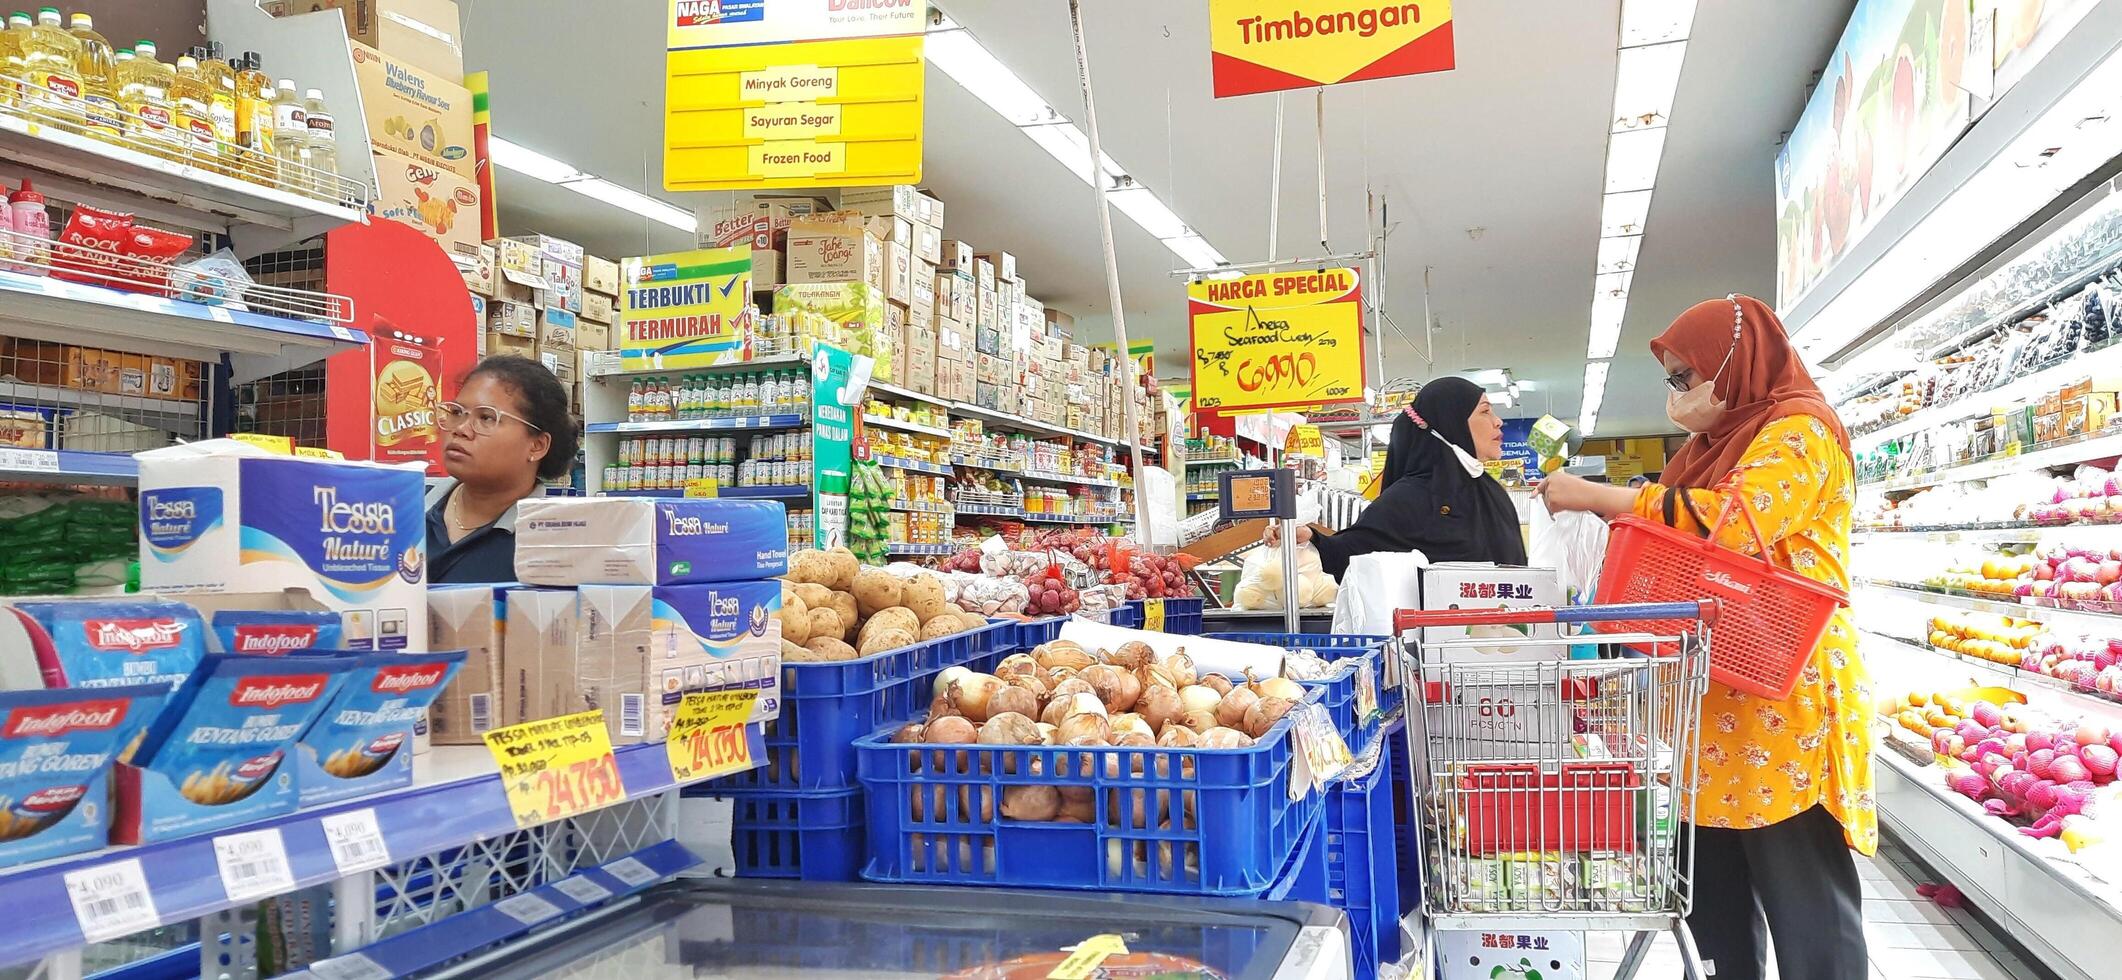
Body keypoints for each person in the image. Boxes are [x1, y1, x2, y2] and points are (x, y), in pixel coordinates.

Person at [1538, 293, 1873, 980]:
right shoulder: (1708, 449)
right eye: (1672, 381)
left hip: (1786, 698)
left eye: (1686, 377)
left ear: (1735, 361)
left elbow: (1734, 524)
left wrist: (1602, 497)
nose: (1677, 395)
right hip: (1712, 694)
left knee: (1804, 898)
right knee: (1713, 900)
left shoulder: (1801, 431)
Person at [1267, 376, 1526, 576]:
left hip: (1509, 638)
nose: (1498, 421)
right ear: (1452, 422)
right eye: (1484, 411)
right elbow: (1356, 553)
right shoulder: (1411, 498)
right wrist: (1311, 539)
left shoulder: (1491, 492)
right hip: (1437, 642)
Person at [427, 356, 578, 584]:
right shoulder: (399, 508)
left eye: (486, 418)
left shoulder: (553, 544)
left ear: (537, 445)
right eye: (457, 413)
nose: (461, 429)